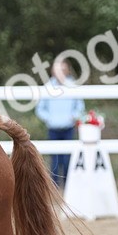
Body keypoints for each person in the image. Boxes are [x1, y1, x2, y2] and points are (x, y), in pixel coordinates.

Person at [35, 58, 86, 188]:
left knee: (68, 158)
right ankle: (56, 186)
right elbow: (40, 109)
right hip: (53, 128)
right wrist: (49, 118)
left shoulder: (72, 86)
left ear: (67, 71)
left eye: (63, 69)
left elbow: (80, 106)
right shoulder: (48, 87)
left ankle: (69, 185)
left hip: (68, 128)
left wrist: (73, 117)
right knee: (55, 159)